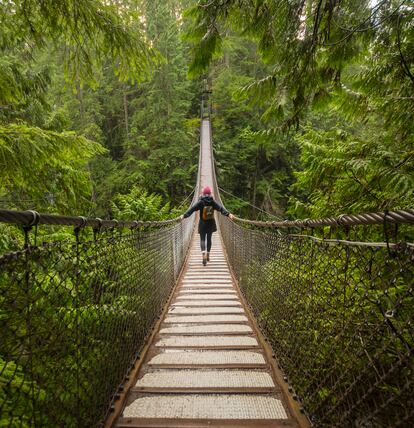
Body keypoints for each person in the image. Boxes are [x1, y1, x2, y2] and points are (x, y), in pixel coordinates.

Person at [181, 186, 234, 265]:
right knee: (209, 238)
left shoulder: (200, 202)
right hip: (211, 223)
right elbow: (220, 208)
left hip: (202, 223)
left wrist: (184, 216)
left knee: (202, 239)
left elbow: (192, 209)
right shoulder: (213, 202)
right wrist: (228, 214)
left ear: (203, 194)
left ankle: (203, 254)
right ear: (210, 194)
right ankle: (208, 254)